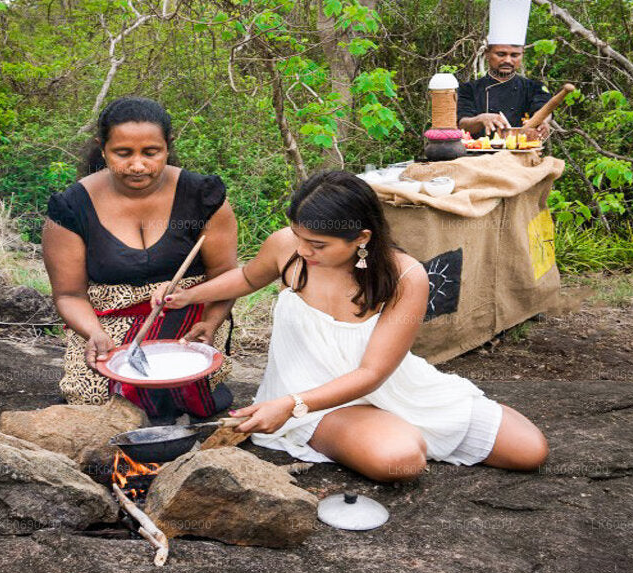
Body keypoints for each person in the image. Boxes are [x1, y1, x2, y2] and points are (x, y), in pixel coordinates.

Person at [152, 171, 548, 482]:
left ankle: (395, 425)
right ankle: (381, 434)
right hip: (307, 395)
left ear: (361, 238)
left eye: (318, 245)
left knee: (531, 452)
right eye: (300, 237)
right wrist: (187, 295)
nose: (304, 251)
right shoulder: (287, 246)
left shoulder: (405, 276)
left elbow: (373, 372)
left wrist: (288, 407)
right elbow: (247, 278)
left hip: (382, 385)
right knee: (401, 461)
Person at [43, 97, 239, 423]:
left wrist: (211, 323)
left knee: (176, 386)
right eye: (123, 153)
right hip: (107, 321)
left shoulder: (202, 196)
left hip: (189, 312)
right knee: (96, 399)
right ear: (102, 148)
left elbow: (225, 275)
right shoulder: (71, 206)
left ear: (167, 146)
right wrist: (93, 332)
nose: (138, 165)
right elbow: (69, 294)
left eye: (151, 153)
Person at [457, 43, 554, 139]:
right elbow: (462, 124)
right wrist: (480, 119)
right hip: (477, 152)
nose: (508, 60)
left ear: (522, 55)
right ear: (487, 54)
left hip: (522, 152)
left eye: (514, 55)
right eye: (501, 54)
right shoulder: (468, 89)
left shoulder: (534, 87)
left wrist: (543, 121)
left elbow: (543, 109)